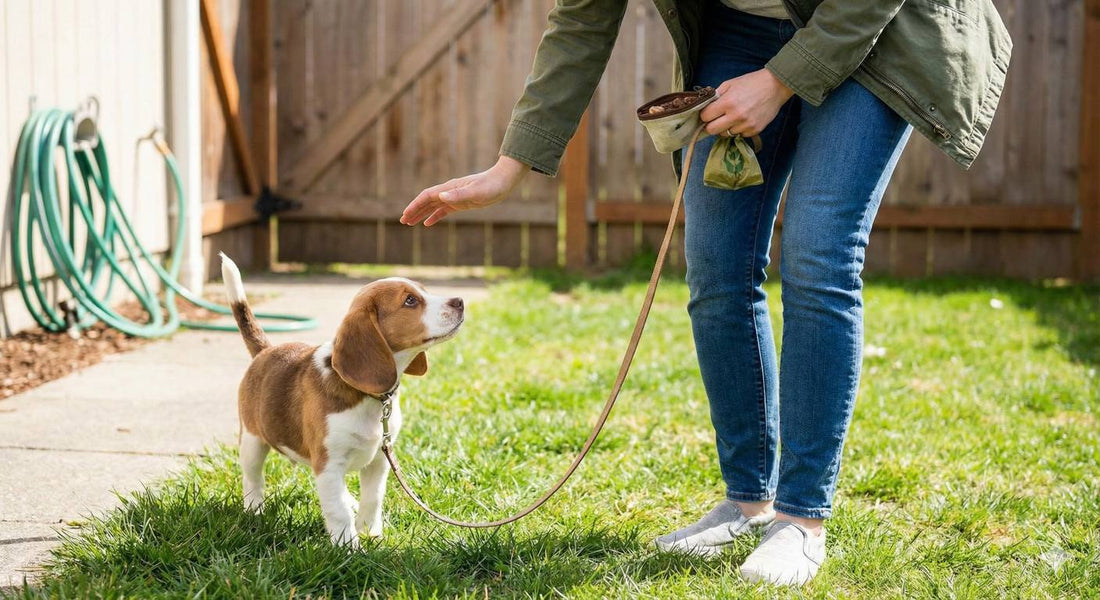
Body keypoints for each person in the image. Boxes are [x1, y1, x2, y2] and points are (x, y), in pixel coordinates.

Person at [401, 0, 1011, 587]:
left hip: (870, 31)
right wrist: (509, 167)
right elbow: (582, 22)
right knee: (718, 266)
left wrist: (778, 82)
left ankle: (801, 519)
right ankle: (748, 503)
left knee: (818, 254)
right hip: (740, 31)